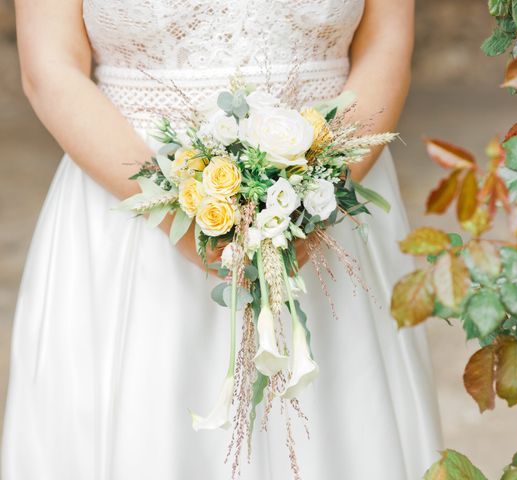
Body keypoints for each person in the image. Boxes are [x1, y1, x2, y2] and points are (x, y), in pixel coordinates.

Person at [4, 1, 442, 478]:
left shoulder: (320, 195)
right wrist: (179, 213)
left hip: (324, 206)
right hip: (132, 206)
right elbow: (50, 68)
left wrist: (314, 195)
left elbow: (386, 46)